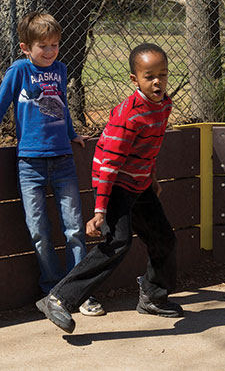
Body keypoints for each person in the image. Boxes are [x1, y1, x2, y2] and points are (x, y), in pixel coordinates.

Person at [35, 43, 182, 334]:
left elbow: (151, 147)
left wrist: (152, 177)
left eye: (162, 75)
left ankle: (153, 295)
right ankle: (59, 298)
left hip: (139, 183)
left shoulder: (164, 105)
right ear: (134, 79)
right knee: (117, 242)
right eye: (149, 76)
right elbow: (107, 164)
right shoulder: (127, 115)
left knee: (163, 237)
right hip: (115, 184)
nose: (157, 82)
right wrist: (99, 210)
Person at [0, 12, 104, 316]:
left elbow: (62, 108)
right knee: (38, 230)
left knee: (73, 227)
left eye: (55, 44)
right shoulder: (19, 70)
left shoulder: (59, 69)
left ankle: (79, 290)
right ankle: (53, 289)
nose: (50, 51)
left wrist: (72, 135)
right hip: (29, 162)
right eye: (43, 46)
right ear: (25, 47)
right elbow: (2, 101)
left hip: (63, 159)